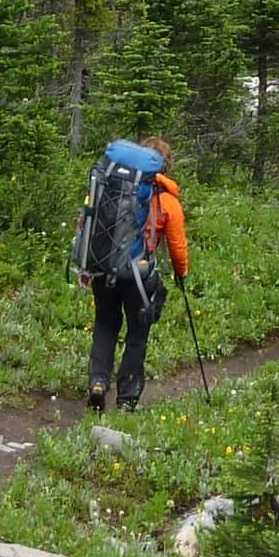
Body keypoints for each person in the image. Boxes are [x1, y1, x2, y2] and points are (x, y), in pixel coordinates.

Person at [74, 134, 191, 413]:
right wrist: (181, 272)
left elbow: (88, 222)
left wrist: (86, 266)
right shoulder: (166, 200)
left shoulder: (109, 186)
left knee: (105, 324)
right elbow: (177, 244)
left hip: (104, 268)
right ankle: (127, 399)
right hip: (140, 275)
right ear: (162, 166)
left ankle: (98, 383)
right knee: (137, 334)